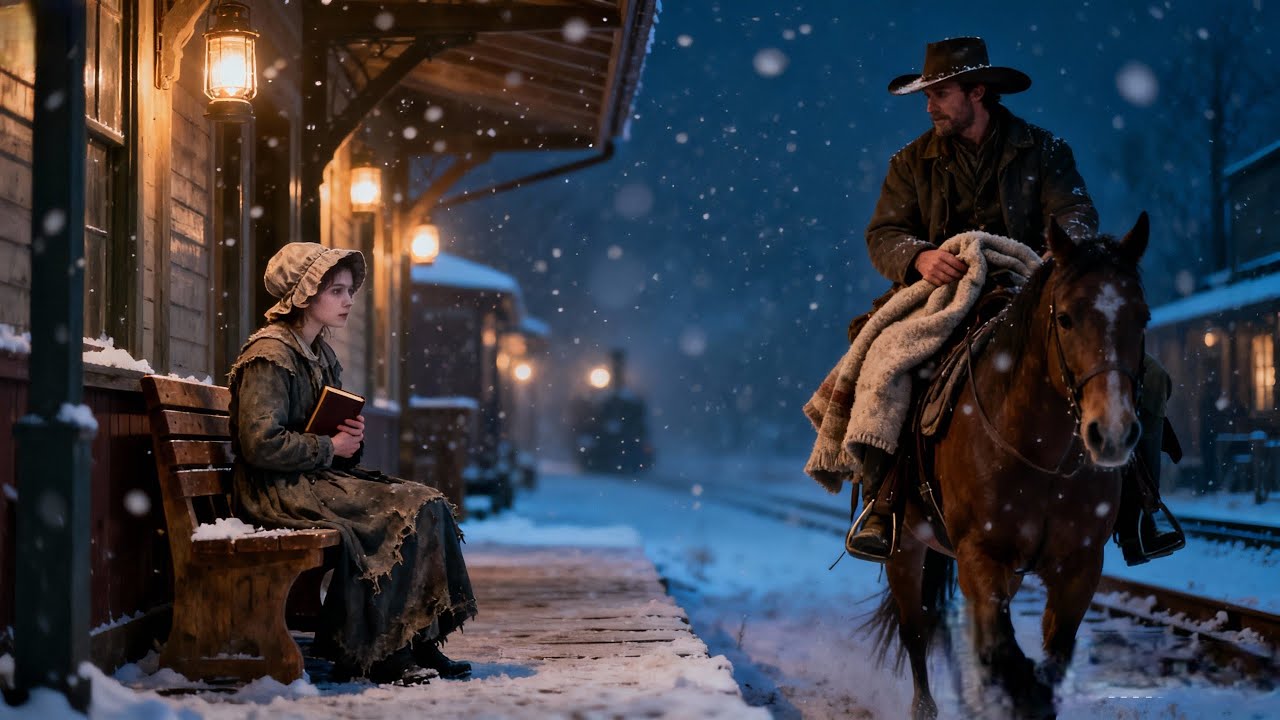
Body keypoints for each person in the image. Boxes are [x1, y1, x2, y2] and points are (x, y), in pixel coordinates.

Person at [845, 37, 1184, 565]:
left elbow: (1075, 211)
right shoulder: (910, 163)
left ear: (977, 92)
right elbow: (885, 233)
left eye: (939, 93)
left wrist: (1063, 253)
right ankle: (883, 506)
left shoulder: (1046, 151)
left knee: (1151, 378)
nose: (929, 105)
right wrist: (919, 258)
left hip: (1032, 291)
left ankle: (1142, 509)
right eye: (927, 95)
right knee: (887, 363)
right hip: (941, 296)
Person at [228, 242, 477, 682]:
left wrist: (350, 441)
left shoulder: (320, 354)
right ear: (304, 294)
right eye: (337, 291)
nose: (348, 300)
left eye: (349, 290)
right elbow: (260, 444)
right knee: (398, 512)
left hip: (310, 481)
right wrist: (330, 448)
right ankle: (377, 651)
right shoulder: (270, 355)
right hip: (276, 491)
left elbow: (323, 433)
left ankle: (415, 640)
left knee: (427, 502)